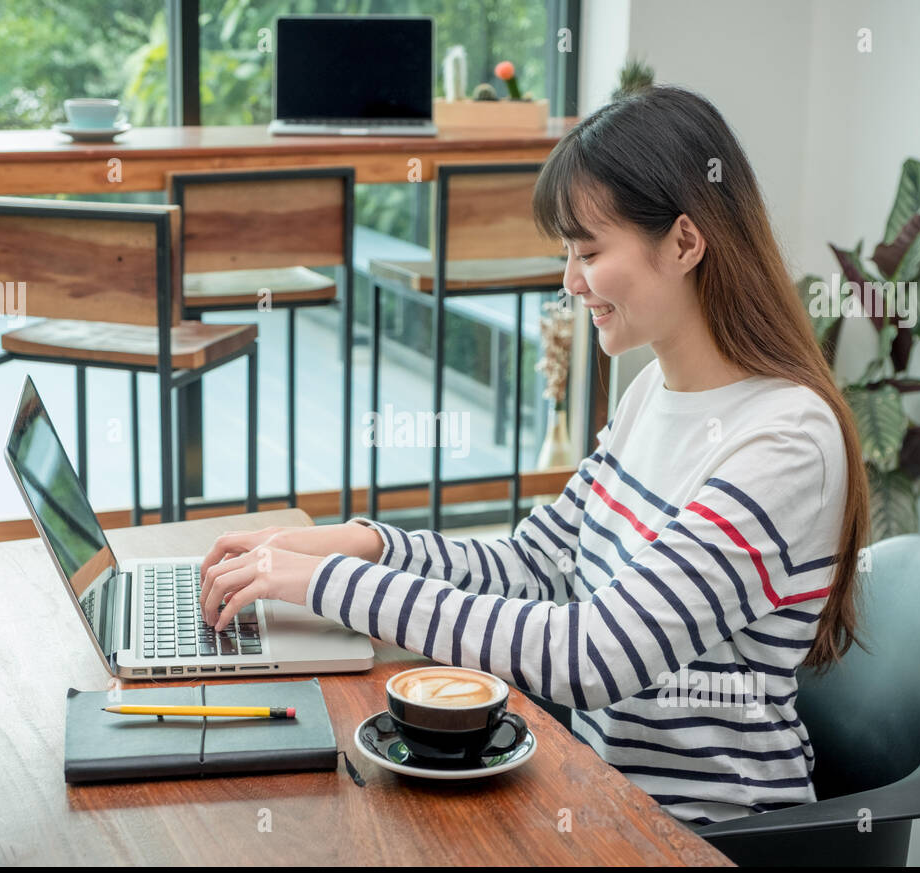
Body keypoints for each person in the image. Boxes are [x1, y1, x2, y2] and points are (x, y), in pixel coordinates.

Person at [197, 85, 870, 828]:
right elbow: (535, 567)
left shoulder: (785, 442)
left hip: (709, 833)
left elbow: (593, 655)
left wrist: (330, 582)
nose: (570, 282)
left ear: (684, 242)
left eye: (588, 251)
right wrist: (362, 543)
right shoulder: (654, 392)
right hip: (597, 797)